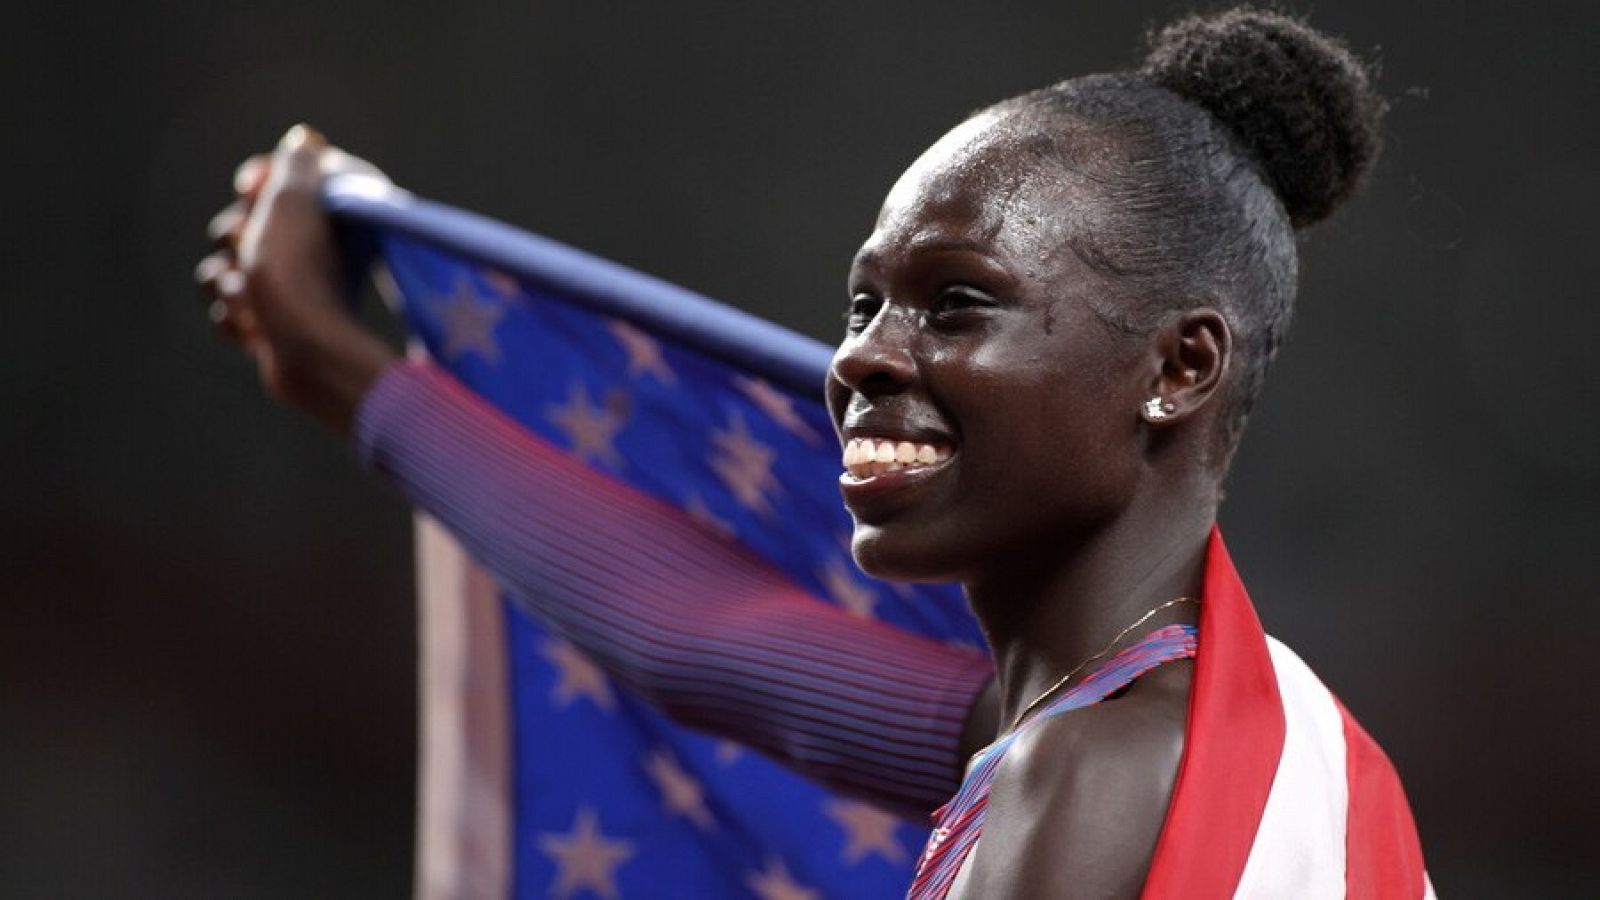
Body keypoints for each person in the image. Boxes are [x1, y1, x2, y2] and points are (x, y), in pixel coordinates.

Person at [198, 7, 1428, 897]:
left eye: (956, 303)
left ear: (1178, 369)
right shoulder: (1113, 726)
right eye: (863, 305)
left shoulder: (1104, 766)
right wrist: (341, 370)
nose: (862, 360)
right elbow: (697, 637)